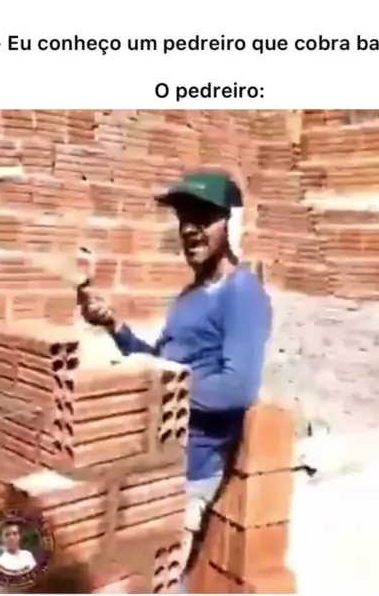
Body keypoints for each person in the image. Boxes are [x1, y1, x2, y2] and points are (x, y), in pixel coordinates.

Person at [79, 170, 272, 573]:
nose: (188, 229)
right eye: (183, 218)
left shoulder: (242, 292)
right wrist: (114, 327)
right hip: (159, 459)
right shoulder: (189, 296)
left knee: (160, 578)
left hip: (193, 470)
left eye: (203, 217)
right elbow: (162, 364)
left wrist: (160, 389)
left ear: (232, 223)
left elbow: (237, 388)